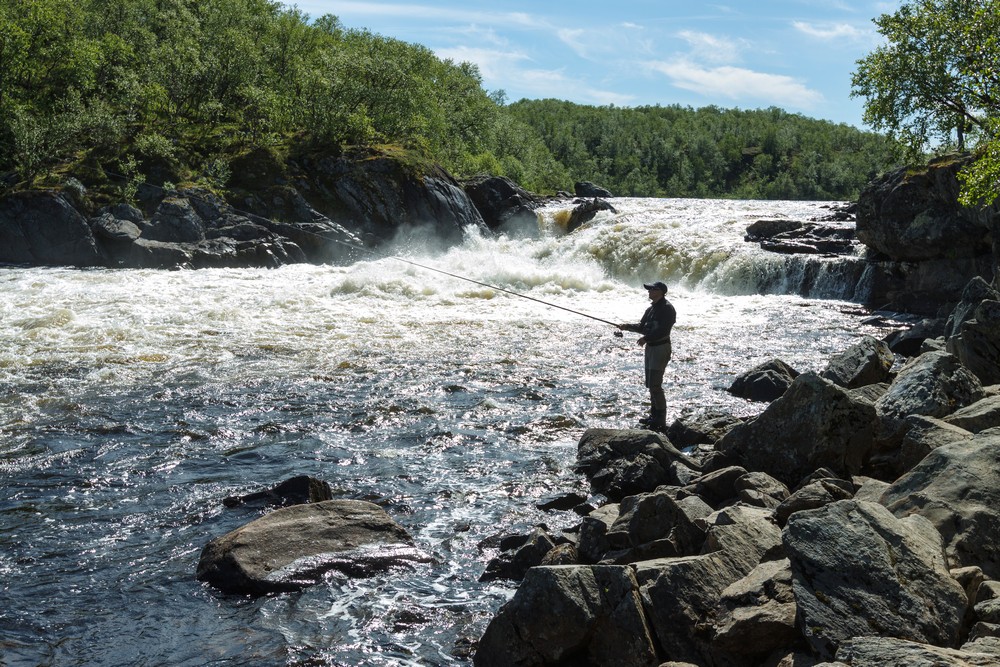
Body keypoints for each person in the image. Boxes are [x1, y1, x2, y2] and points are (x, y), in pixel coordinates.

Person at [618, 281, 676, 431]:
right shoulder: (650, 309)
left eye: (652, 289)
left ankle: (660, 421)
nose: (649, 291)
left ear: (661, 292)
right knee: (651, 384)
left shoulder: (668, 309)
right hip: (651, 348)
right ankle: (653, 416)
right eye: (649, 289)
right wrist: (627, 326)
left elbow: (663, 331)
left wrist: (646, 339)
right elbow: (642, 327)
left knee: (655, 385)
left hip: (661, 348)